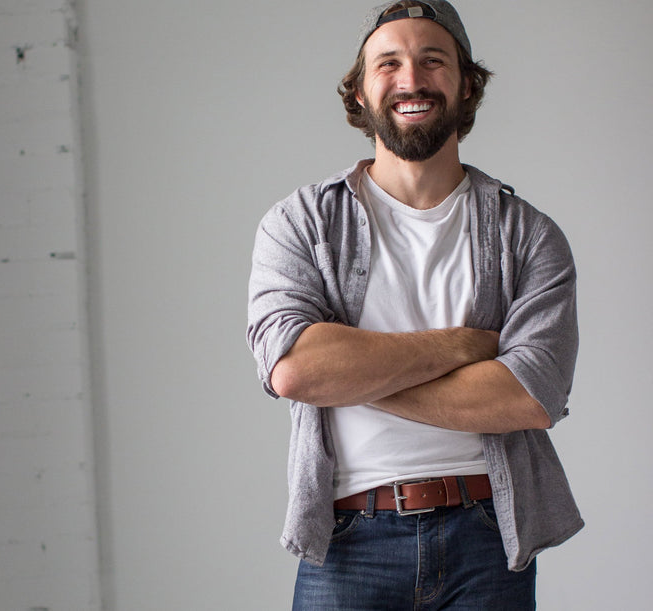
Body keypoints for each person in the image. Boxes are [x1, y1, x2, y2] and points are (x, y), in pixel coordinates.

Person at [246, 1, 583, 608]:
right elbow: (294, 369)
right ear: (359, 90)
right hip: (349, 541)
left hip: (487, 538)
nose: (411, 79)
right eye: (388, 63)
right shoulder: (301, 223)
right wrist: (462, 348)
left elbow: (529, 397)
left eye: (433, 60)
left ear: (467, 83)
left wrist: (349, 377)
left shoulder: (527, 235)